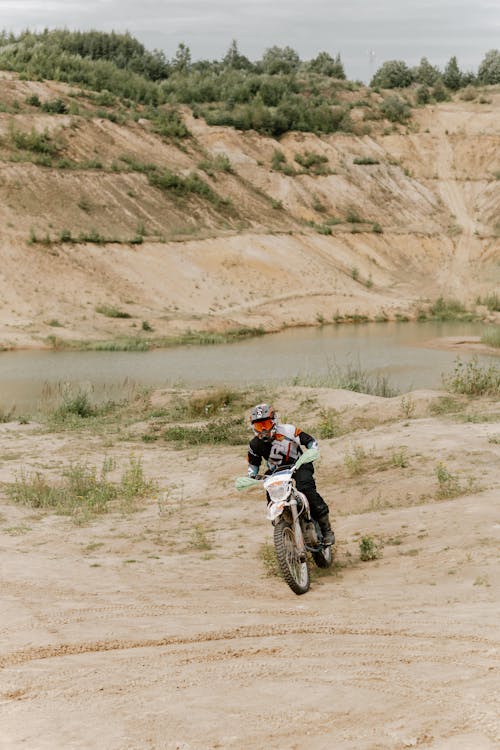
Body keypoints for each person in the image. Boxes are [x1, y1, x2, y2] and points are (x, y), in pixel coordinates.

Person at [247, 403, 335, 545]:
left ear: (274, 421)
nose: (263, 429)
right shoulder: (254, 445)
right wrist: (251, 475)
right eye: (259, 426)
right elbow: (253, 464)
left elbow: (310, 441)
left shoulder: (289, 431)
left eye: (266, 423)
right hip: (277, 471)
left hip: (299, 464)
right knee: (272, 495)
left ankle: (326, 530)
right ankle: (281, 527)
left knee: (306, 488)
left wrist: (312, 450)